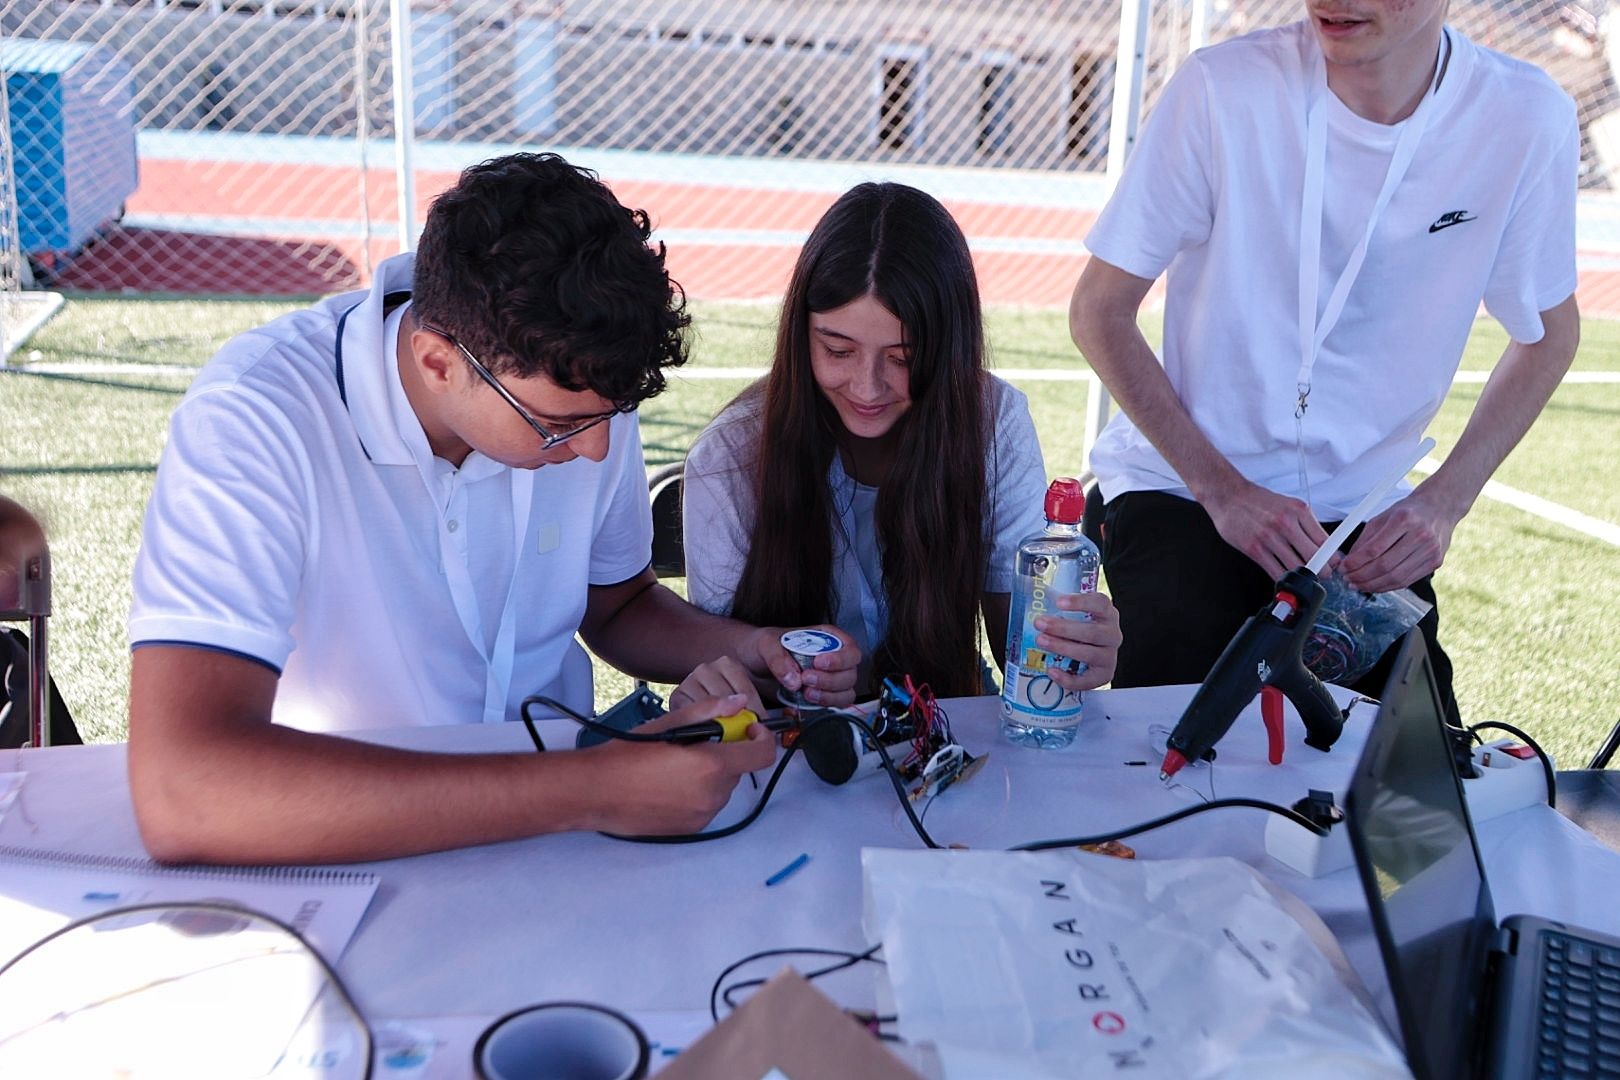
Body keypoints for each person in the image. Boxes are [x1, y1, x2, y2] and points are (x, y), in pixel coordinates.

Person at [126, 153, 859, 865]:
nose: (598, 451)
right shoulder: (257, 419)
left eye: (616, 414)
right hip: (340, 838)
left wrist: (745, 647)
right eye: (560, 426)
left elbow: (620, 605)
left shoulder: (579, 385)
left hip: (556, 832)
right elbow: (184, 788)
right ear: (438, 362)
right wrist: (591, 791)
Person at [1068, 0, 1580, 716]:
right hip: (1185, 490)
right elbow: (1098, 310)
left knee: (1413, 778)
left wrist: (1443, 502)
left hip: (1359, 522)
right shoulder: (1224, 88)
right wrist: (1223, 490)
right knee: (1180, 735)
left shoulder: (1524, 119)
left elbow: (1549, 335)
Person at [683, 182, 1120, 701]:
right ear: (801, 336)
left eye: (903, 358)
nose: (868, 387)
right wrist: (792, 677)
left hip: (942, 730)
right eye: (838, 350)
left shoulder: (993, 420)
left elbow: (1023, 645)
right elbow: (723, 669)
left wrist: (1074, 647)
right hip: (791, 744)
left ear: (951, 348)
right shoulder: (730, 455)